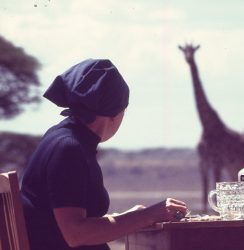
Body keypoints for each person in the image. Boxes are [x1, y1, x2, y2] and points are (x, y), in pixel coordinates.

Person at [21, 59, 188, 250]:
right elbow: (76, 234)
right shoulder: (69, 149)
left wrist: (129, 218)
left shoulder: (62, 137)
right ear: (114, 114)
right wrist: (148, 215)